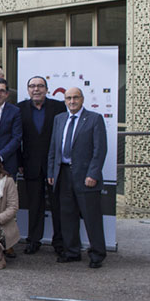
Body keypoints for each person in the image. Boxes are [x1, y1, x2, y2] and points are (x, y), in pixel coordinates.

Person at [47, 87, 108, 268]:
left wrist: (93, 174)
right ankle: (72, 251)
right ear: (64, 100)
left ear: (82, 99)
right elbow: (53, 148)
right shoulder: (59, 119)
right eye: (68, 98)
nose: (72, 101)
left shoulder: (94, 119)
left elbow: (100, 150)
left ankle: (97, 254)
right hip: (63, 174)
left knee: (91, 217)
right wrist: (51, 172)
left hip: (85, 176)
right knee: (67, 215)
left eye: (75, 98)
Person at [18, 76, 67, 255]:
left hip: (55, 165)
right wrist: (19, 162)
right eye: (32, 86)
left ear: (47, 89)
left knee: (57, 205)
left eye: (40, 86)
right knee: (35, 205)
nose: (36, 89)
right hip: (30, 165)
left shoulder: (59, 107)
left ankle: (59, 242)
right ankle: (33, 240)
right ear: (28, 89)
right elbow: (17, 138)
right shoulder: (20, 108)